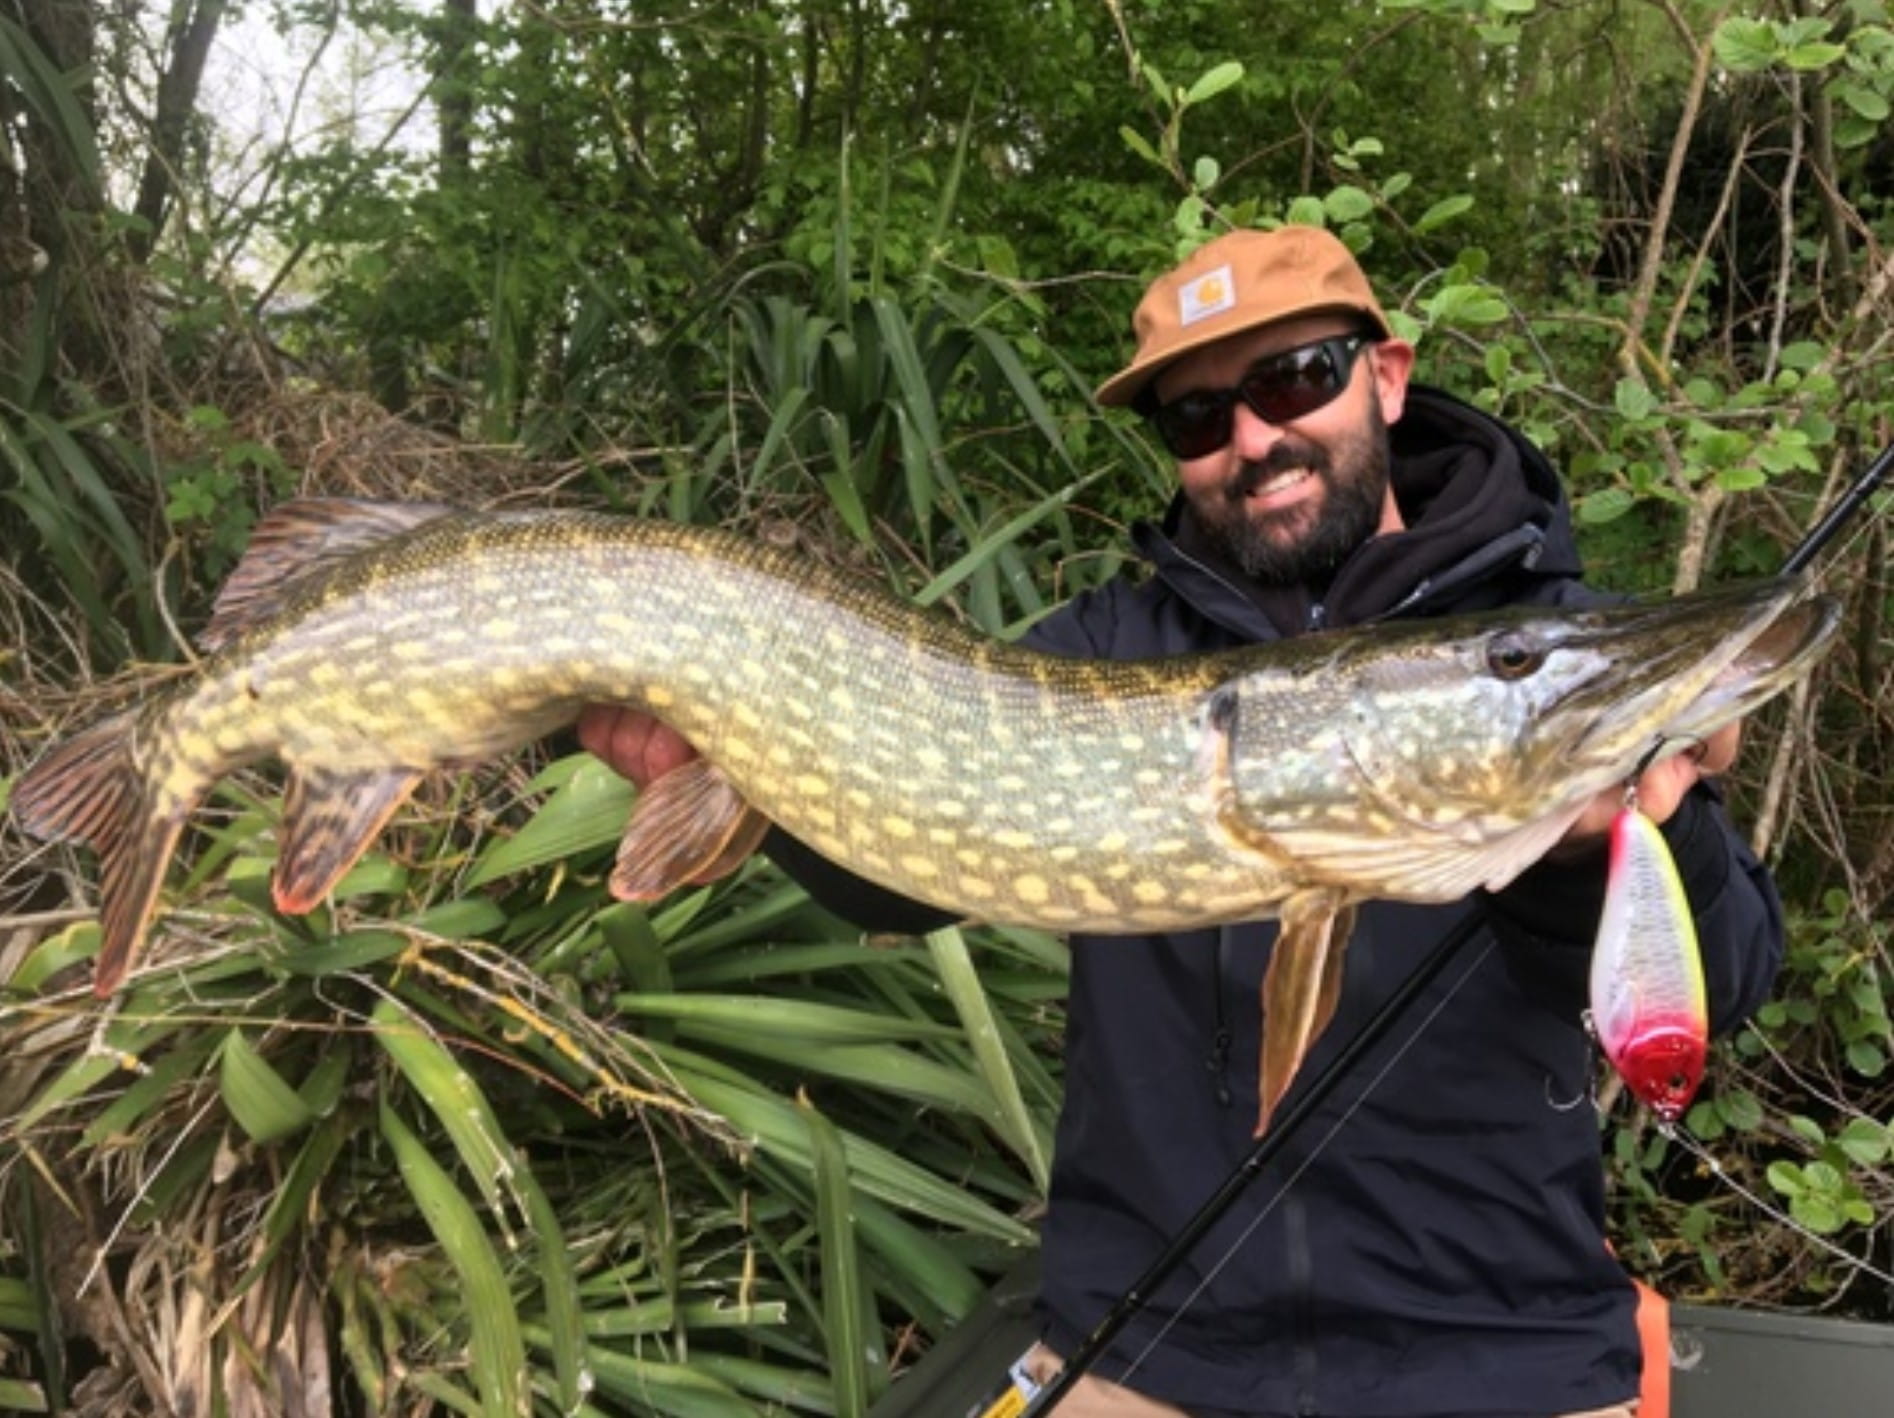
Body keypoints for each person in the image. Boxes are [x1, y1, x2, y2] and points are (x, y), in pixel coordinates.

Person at [579, 226, 1781, 1418]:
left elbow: (1716, 988)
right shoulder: (1101, 651)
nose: (1252, 439)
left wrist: (1603, 847)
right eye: (1199, 416)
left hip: (1499, 1357)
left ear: (1387, 375)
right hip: (1143, 1356)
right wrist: (752, 770)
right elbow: (899, 870)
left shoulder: (1536, 643)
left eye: (1294, 378)